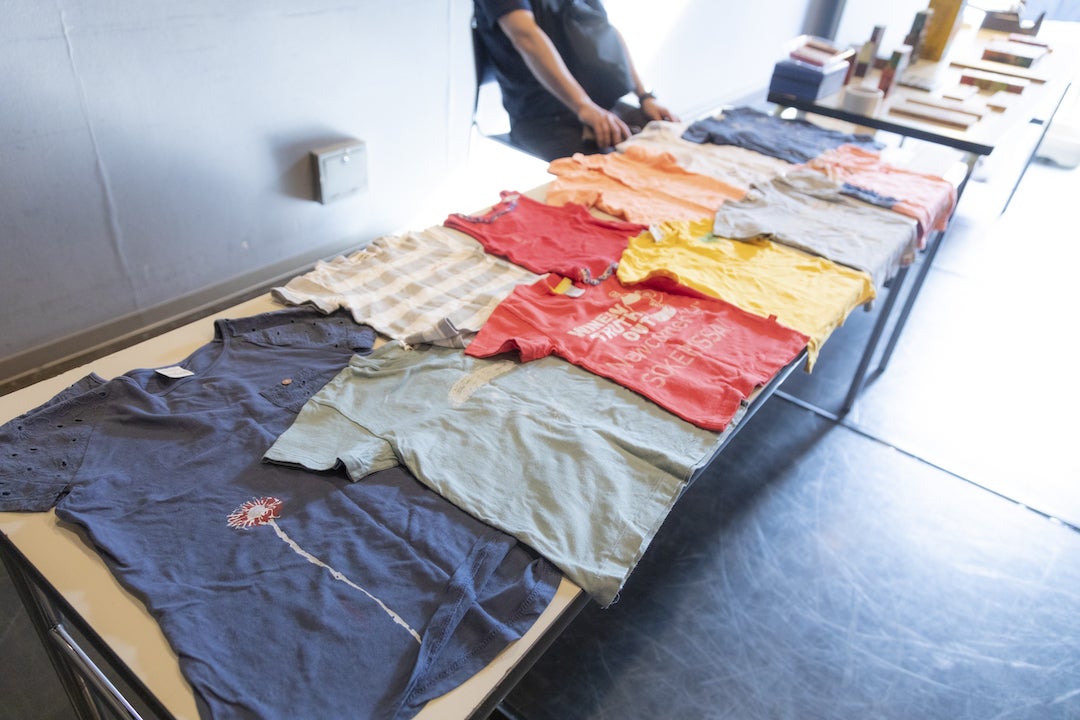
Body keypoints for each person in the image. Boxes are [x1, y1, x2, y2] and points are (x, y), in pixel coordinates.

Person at [473, 0, 679, 161]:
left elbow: (605, 28)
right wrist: (584, 105)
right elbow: (525, 36)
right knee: (620, 180)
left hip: (602, 107)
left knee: (676, 144)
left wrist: (644, 96)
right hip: (546, 120)